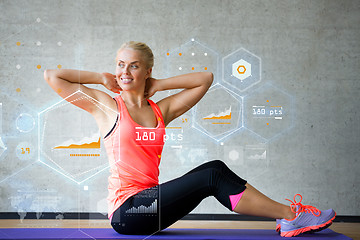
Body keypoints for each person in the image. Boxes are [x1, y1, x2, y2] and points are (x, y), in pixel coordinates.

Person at [44, 41, 335, 237]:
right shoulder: (107, 106)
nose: (124, 71)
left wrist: (158, 85)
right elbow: (52, 76)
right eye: (120, 64)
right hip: (127, 212)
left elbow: (205, 78)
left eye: (133, 65)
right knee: (211, 175)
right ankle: (289, 216)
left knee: (216, 169)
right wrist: (100, 77)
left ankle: (288, 217)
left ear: (147, 71)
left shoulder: (161, 110)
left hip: (152, 206)